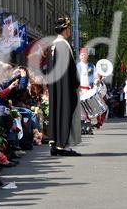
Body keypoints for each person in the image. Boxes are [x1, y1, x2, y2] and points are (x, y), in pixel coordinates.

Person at [46, 17, 81, 156]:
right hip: (65, 86)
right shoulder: (64, 45)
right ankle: (63, 145)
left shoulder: (53, 45)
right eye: (68, 28)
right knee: (66, 112)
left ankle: (54, 143)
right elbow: (70, 68)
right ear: (65, 29)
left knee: (56, 112)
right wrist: (76, 84)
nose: (70, 31)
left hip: (55, 86)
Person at [76, 48, 98, 135]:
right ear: (80, 56)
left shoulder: (92, 66)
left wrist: (96, 82)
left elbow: (96, 77)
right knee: (81, 108)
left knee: (90, 108)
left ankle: (89, 127)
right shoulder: (77, 66)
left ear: (87, 56)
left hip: (89, 90)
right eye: (82, 55)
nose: (84, 56)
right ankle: (81, 127)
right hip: (80, 89)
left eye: (85, 55)